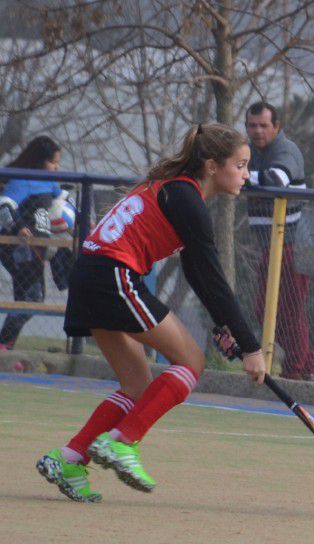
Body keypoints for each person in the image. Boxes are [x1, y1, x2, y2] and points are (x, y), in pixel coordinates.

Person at [35, 123, 267, 503]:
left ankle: (70, 458)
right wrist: (252, 346)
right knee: (190, 360)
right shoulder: (186, 198)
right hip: (112, 275)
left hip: (91, 274)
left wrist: (226, 326)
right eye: (240, 165)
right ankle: (124, 441)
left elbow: (198, 273)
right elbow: (215, 280)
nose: (246, 175)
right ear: (211, 166)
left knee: (137, 385)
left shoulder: (178, 193)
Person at [245, 101, 314, 382]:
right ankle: (311, 366)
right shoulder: (249, 152)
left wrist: (240, 175)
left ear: (276, 127)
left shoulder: (285, 150)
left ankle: (296, 371)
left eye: (263, 125)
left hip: (293, 244)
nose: (257, 131)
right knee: (263, 310)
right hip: (270, 245)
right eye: (251, 125)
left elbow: (276, 180)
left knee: (290, 310)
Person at [0, 136, 67, 351]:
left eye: (58, 163)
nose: (57, 167)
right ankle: (3, 346)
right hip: (18, 246)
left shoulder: (50, 183)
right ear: (39, 161)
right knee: (33, 298)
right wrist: (18, 226)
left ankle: (5, 348)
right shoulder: (23, 180)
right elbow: (4, 205)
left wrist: (84, 221)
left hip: (37, 247)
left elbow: (63, 206)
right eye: (52, 162)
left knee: (26, 298)